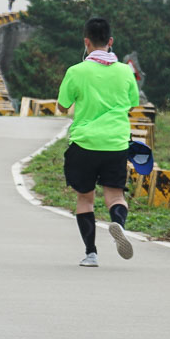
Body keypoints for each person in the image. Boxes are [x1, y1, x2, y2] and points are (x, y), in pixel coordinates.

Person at [56, 16, 140, 267]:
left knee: (85, 198)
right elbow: (133, 103)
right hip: (116, 143)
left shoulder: (76, 71)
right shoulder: (125, 71)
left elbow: (62, 106)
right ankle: (119, 224)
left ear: (87, 42)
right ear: (110, 42)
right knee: (115, 196)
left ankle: (91, 253)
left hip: (85, 143)